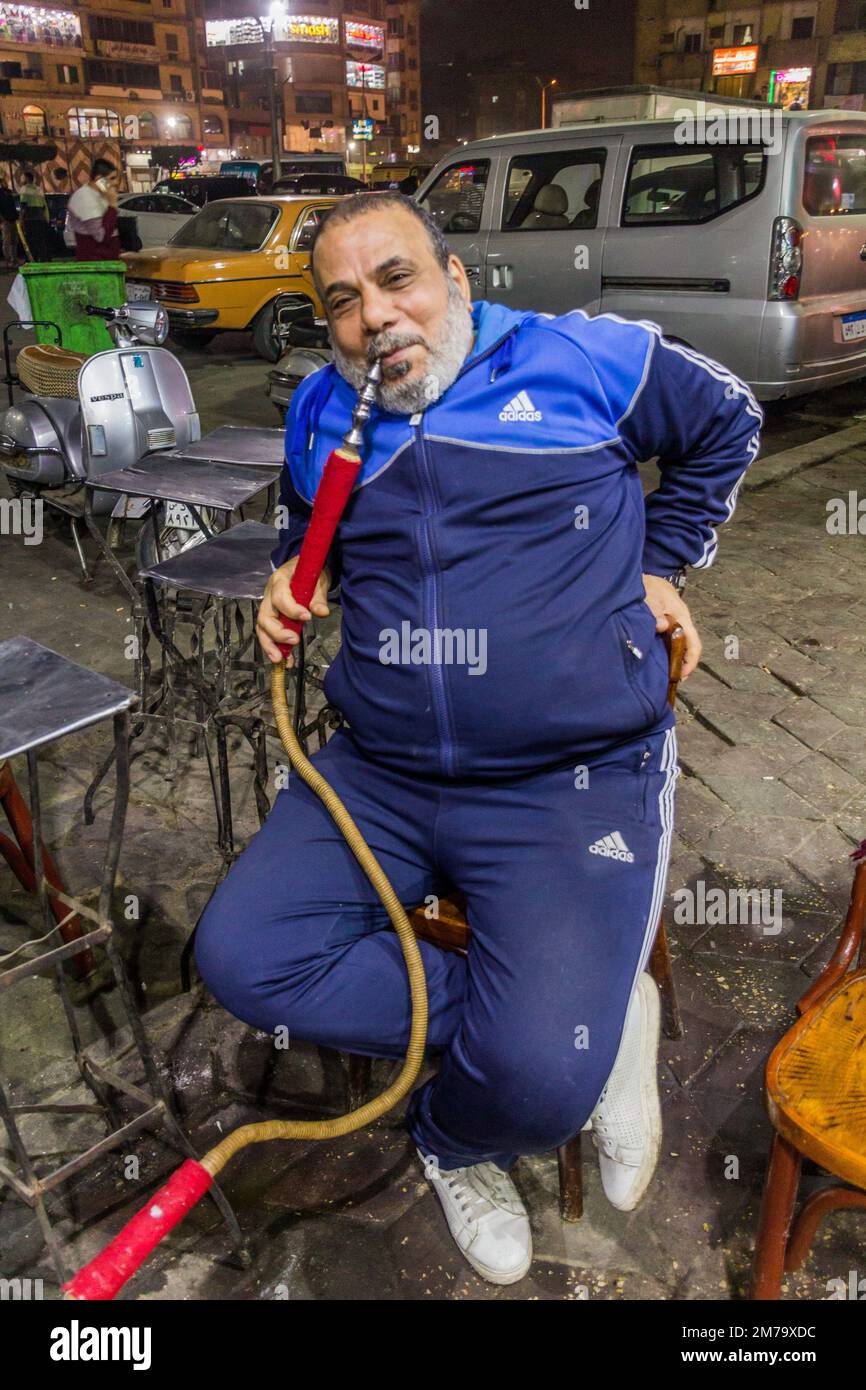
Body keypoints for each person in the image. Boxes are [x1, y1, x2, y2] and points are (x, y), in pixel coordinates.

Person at [195, 192, 763, 1286]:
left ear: (455, 278)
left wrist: (660, 562)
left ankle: (458, 1132)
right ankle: (575, 1028)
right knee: (243, 956)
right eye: (343, 302)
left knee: (538, 1082)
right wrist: (287, 573)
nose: (376, 318)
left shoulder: (582, 360)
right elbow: (304, 528)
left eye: (397, 277)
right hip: (380, 765)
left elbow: (727, 420)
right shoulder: (324, 407)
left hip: (569, 777)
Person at [65, 158, 120, 261]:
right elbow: (101, 236)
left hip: (106, 261)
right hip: (96, 264)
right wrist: (112, 206)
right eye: (112, 178)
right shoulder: (85, 197)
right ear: (99, 179)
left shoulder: (100, 195)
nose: (115, 183)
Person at [17, 169, 51, 260]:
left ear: (27, 179)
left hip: (30, 218)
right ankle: (44, 259)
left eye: (22, 178)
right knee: (41, 240)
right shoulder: (39, 189)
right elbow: (44, 206)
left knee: (31, 241)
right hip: (40, 218)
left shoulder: (24, 189)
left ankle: (33, 259)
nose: (21, 180)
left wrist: (21, 219)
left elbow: (23, 206)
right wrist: (46, 218)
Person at [0, 172, 18, 268]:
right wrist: (2, 219)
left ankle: (14, 259)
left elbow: (13, 206)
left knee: (14, 241)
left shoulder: (9, 192)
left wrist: (16, 217)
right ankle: (8, 260)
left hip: (13, 219)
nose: (5, 183)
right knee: (6, 241)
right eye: (3, 182)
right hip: (5, 221)